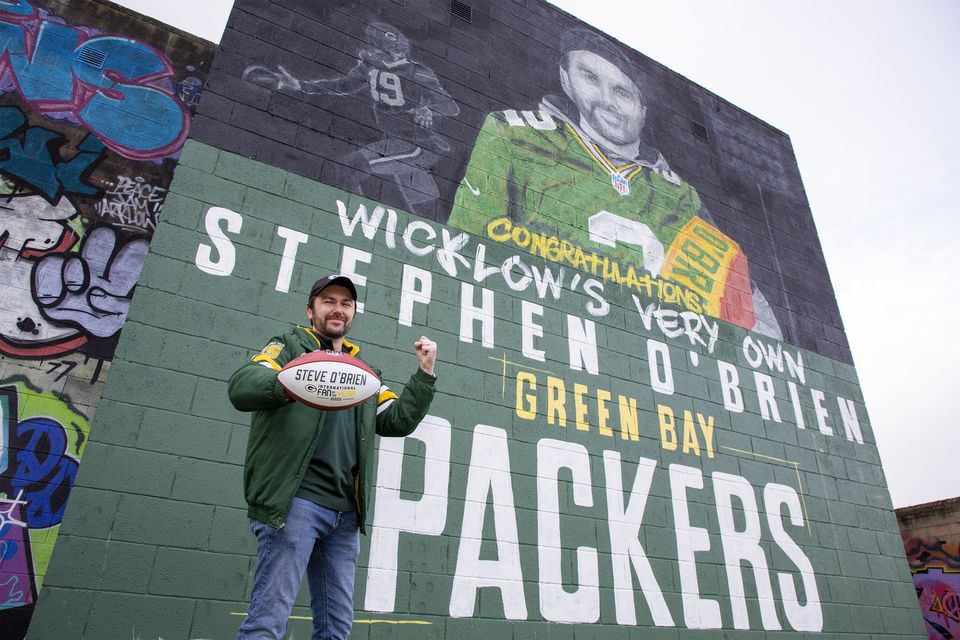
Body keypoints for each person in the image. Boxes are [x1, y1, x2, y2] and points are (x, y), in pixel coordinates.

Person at [446, 30, 782, 339]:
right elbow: (464, 251)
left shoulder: (680, 195)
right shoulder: (514, 134)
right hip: (538, 333)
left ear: (643, 109)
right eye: (590, 77)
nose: (607, 100)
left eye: (623, 92)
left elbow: (738, 299)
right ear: (566, 79)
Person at [228, 274, 438, 640]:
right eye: (328, 301)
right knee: (267, 623)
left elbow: (396, 419)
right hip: (295, 506)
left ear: (353, 313)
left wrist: (424, 372)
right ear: (310, 310)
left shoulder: (362, 374)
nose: (337, 308)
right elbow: (243, 385)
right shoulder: (287, 347)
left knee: (335, 631)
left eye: (346, 303)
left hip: (345, 515)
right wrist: (296, 383)